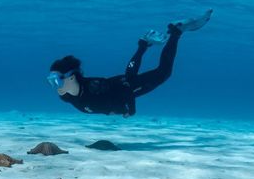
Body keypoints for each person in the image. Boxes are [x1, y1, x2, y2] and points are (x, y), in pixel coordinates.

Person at [47, 9, 212, 117]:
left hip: (124, 87)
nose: (55, 85)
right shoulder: (66, 96)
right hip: (121, 84)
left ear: (71, 77)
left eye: (57, 79)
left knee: (164, 72)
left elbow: (125, 91)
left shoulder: (92, 87)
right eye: (51, 80)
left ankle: (176, 32)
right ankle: (143, 44)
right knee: (133, 76)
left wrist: (130, 109)